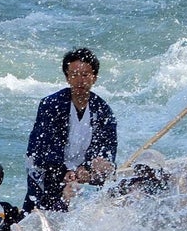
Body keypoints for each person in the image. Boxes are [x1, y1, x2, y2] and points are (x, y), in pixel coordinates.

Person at [26, 47, 118, 211]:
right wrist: (64, 171)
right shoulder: (51, 105)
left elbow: (107, 149)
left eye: (85, 75)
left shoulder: (103, 111)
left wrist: (88, 168)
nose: (80, 80)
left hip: (84, 173)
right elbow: (40, 147)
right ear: (67, 77)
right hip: (50, 171)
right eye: (74, 75)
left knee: (106, 169)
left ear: (94, 77)